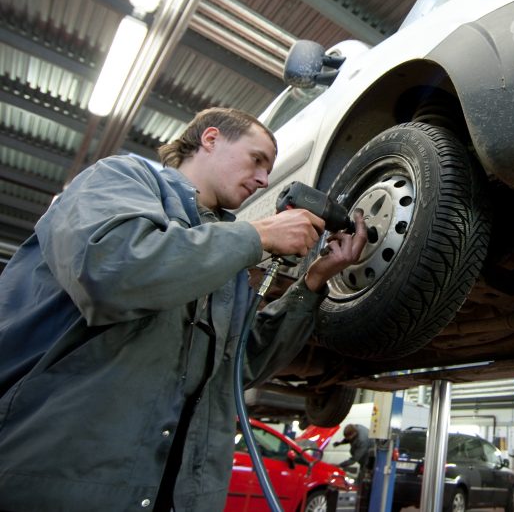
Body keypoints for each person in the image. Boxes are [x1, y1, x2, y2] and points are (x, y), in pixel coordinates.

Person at [0, 107, 367, 512]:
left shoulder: (222, 254)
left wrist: (313, 282)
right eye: (257, 159)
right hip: (57, 487)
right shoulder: (119, 178)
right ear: (210, 139)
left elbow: (238, 364)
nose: (264, 179)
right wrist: (256, 235)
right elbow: (111, 273)